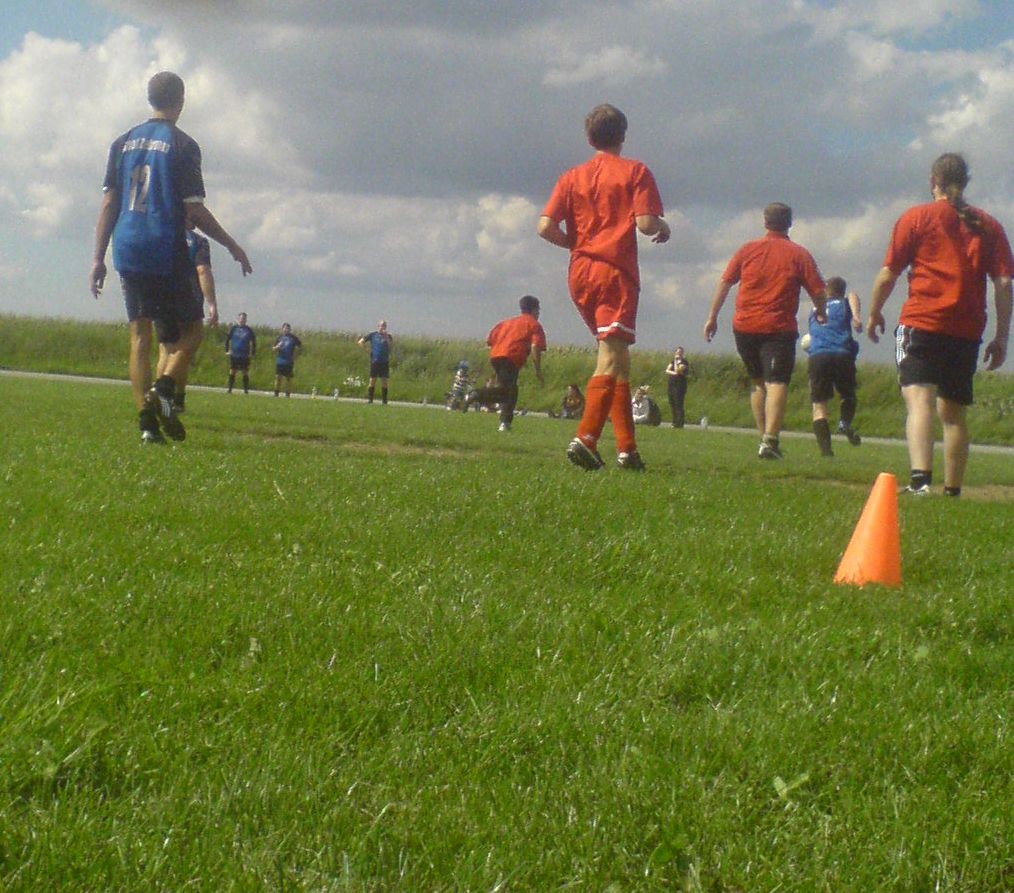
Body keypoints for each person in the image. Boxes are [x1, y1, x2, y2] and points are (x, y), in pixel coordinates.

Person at [89, 70, 252, 444]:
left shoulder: (122, 142)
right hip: (165, 246)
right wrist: (231, 244)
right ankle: (163, 388)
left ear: (150, 99)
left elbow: (109, 203)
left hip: (127, 245)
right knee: (191, 330)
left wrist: (98, 258)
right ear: (181, 100)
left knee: (139, 335)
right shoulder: (183, 145)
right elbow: (194, 211)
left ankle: (147, 424)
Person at [868, 153, 1013, 496]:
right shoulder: (989, 226)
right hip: (966, 330)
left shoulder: (916, 217)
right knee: (954, 413)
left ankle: (920, 482)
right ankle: (952, 490)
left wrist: (874, 313)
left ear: (933, 181)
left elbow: (888, 274)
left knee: (920, 401)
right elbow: (1004, 284)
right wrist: (1001, 336)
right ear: (965, 182)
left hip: (922, 321)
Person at [538, 103, 670, 472]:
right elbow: (645, 223)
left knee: (618, 360)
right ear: (623, 135)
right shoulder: (635, 171)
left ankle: (627, 449)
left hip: (580, 272)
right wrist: (663, 227)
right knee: (611, 359)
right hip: (614, 271)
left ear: (589, 138)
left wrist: (576, 244)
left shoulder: (571, 177)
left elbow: (545, 226)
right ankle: (586, 438)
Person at [704, 202, 826, 459]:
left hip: (744, 326)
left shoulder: (747, 250)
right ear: (789, 223)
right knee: (777, 381)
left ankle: (764, 440)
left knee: (758, 382)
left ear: (765, 222)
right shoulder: (799, 254)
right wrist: (821, 311)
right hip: (777, 328)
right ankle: (770, 440)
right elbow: (818, 290)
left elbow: (725, 283)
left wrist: (712, 317)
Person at [466, 295, 546, 432]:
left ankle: (505, 422)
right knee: (506, 392)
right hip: (511, 358)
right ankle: (476, 394)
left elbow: (491, 340)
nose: (538, 314)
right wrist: (537, 369)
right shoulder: (534, 325)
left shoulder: (507, 322)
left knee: (512, 390)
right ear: (534, 310)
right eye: (538, 310)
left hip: (496, 356)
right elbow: (535, 347)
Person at [162, 223, 219, 413]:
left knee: (166, 350)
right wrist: (212, 304)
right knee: (188, 344)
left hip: (160, 294)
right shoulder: (197, 241)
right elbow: (202, 270)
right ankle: (170, 392)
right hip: (186, 295)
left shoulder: (161, 232)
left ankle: (165, 401)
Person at [806, 276, 862, 456]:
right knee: (848, 395)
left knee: (819, 405)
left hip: (818, 356)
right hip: (842, 355)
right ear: (842, 292)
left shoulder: (815, 309)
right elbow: (853, 295)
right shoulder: (844, 304)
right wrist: (856, 317)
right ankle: (844, 423)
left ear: (826, 291)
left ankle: (826, 452)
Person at [358, 320, 393, 404]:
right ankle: (370, 400)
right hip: (375, 361)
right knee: (372, 380)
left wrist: (386, 338)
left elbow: (390, 347)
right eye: (381, 325)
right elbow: (360, 342)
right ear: (378, 326)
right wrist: (368, 351)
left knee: (384, 381)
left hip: (384, 361)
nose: (383, 327)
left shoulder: (389, 336)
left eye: (384, 325)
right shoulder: (373, 335)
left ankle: (384, 401)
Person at [225, 312, 256, 393]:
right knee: (232, 371)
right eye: (241, 318)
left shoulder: (248, 330)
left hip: (244, 355)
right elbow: (227, 340)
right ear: (238, 319)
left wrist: (252, 353)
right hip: (234, 354)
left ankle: (245, 390)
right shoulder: (234, 329)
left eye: (244, 318)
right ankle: (230, 389)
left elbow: (254, 341)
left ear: (246, 320)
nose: (242, 320)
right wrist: (227, 350)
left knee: (245, 372)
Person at [272, 323, 303, 397]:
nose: (286, 330)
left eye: (288, 328)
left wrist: (296, 356)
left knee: (288, 378)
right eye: (285, 328)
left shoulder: (293, 338)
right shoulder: (279, 338)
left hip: (289, 361)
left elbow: (300, 347)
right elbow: (273, 349)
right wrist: (277, 347)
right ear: (282, 329)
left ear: (290, 329)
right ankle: (276, 393)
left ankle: (287, 393)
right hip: (280, 361)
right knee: (278, 377)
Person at [664, 346, 690, 428]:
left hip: (679, 386)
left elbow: (678, 370)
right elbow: (667, 370)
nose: (679, 353)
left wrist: (676, 363)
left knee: (678, 403)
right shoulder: (672, 361)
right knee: (672, 402)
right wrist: (674, 372)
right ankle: (674, 421)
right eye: (677, 352)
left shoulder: (684, 362)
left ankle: (680, 423)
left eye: (680, 352)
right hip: (671, 384)